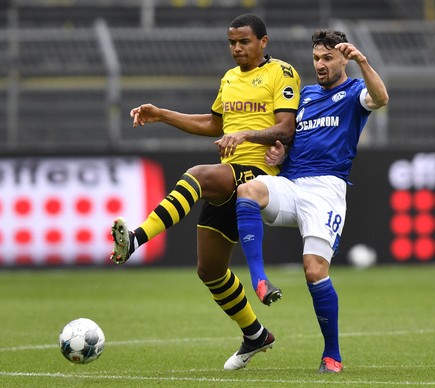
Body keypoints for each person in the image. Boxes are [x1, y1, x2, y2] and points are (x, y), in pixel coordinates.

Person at [110, 13, 301, 370]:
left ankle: (136, 238)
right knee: (210, 270)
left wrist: (245, 135)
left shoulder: (282, 73)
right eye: (232, 42)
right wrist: (162, 114)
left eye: (244, 41)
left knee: (198, 175)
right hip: (231, 172)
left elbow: (286, 128)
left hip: (258, 174)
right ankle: (255, 334)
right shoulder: (229, 79)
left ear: (264, 42)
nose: (237, 48)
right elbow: (214, 123)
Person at [235, 29, 389, 373]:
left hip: (326, 191)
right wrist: (280, 155)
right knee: (248, 191)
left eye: (328, 58)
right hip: (292, 184)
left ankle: (332, 355)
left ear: (343, 59)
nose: (320, 64)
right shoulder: (305, 96)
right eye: (316, 58)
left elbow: (381, 99)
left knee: (314, 270)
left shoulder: (353, 93)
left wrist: (363, 60)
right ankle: (259, 279)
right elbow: (291, 143)